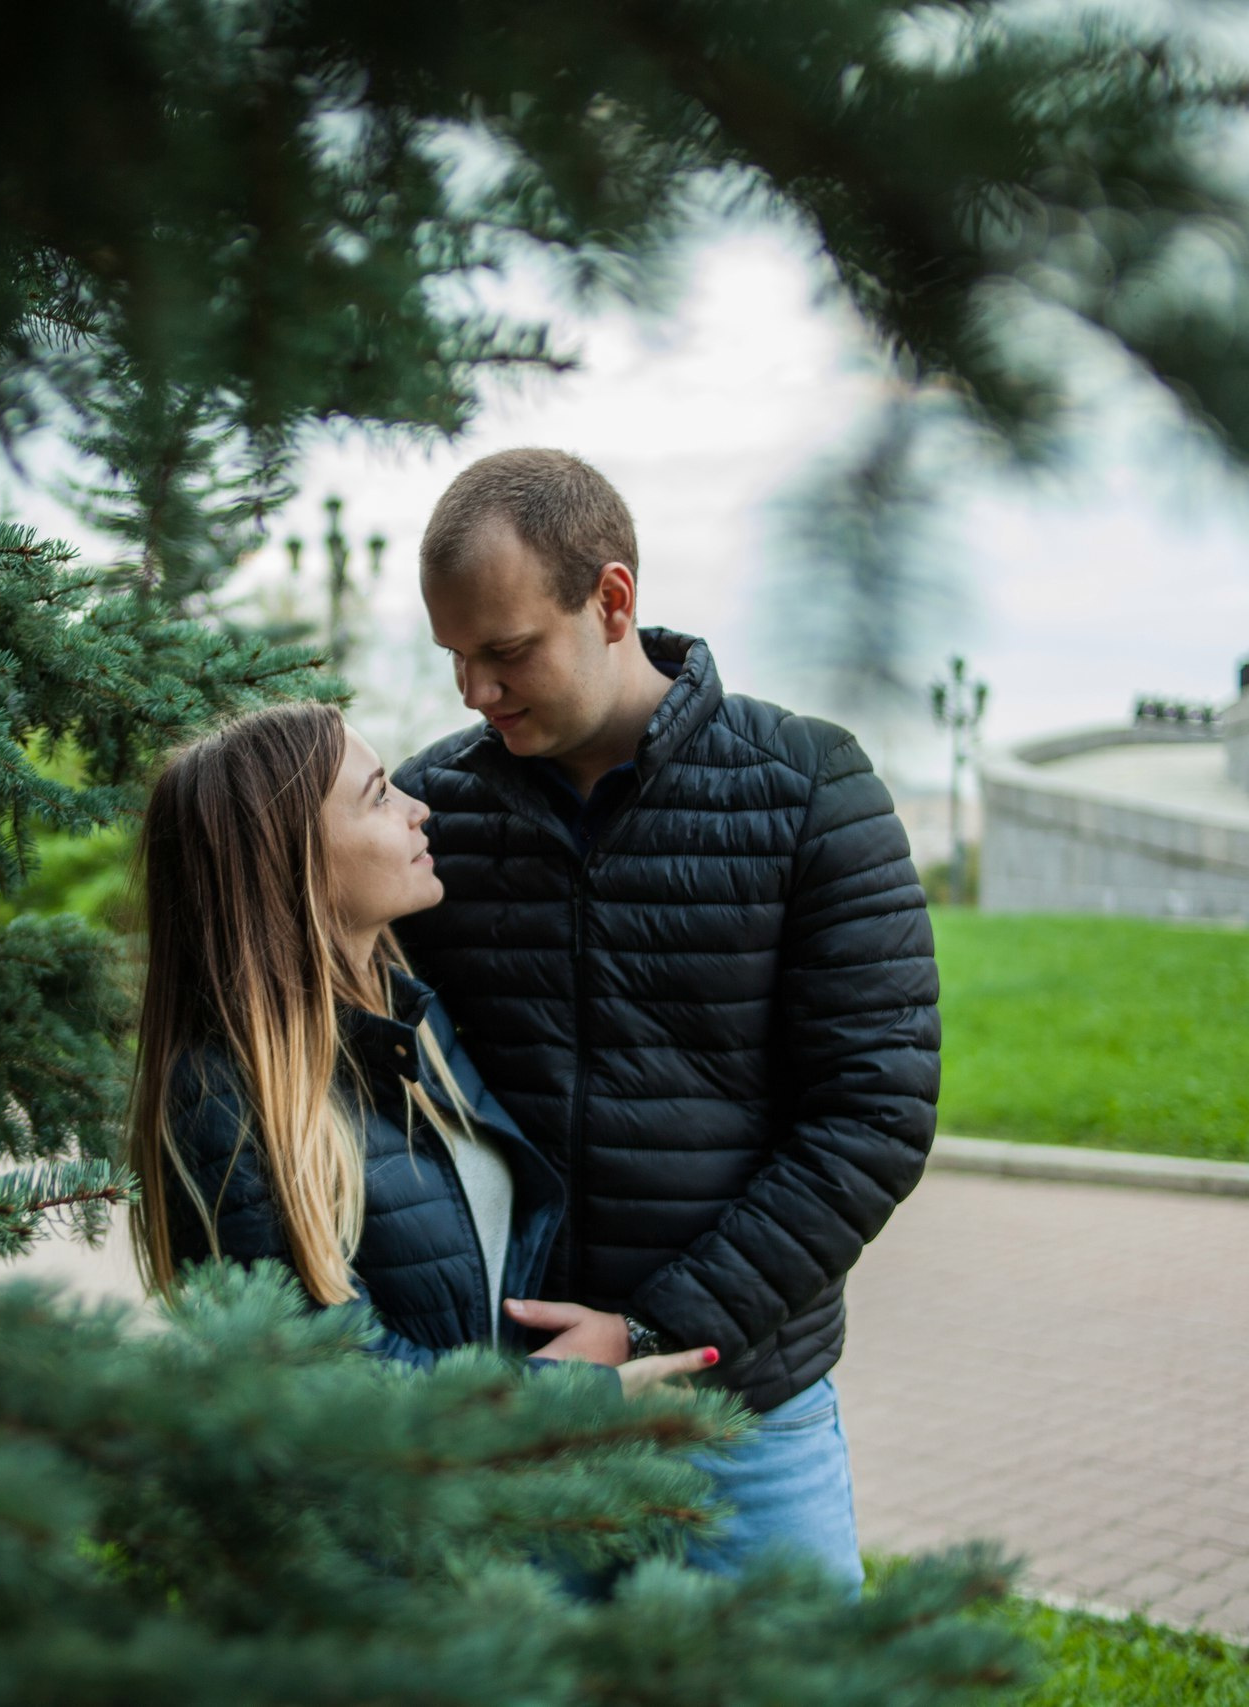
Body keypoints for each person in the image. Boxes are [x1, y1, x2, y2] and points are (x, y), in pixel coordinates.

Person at [390, 448, 939, 1593]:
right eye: (454, 659)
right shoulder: (427, 813)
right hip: (518, 1428)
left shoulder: (810, 790)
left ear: (613, 600)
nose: (475, 696)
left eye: (505, 652)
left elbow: (873, 1116)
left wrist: (649, 1332)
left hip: (740, 1428)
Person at [126, 701, 717, 1393]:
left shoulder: (406, 1019)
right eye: (379, 795)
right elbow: (341, 1386)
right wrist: (574, 1395)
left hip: (486, 1480)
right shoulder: (222, 1099)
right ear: (288, 857)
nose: (417, 808)